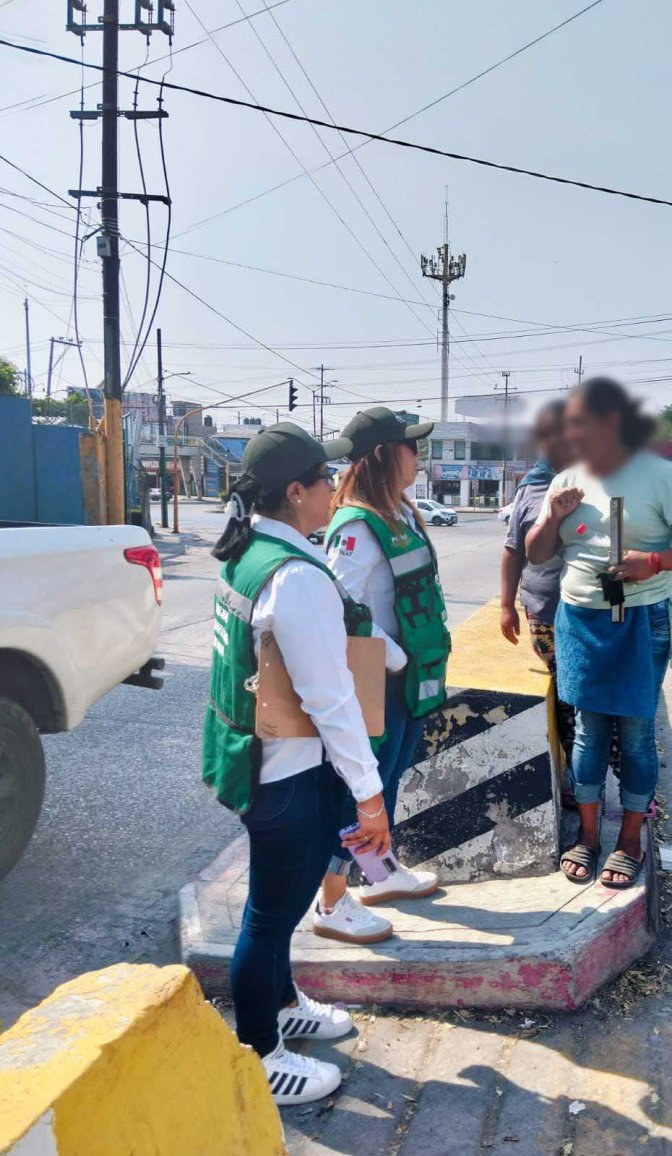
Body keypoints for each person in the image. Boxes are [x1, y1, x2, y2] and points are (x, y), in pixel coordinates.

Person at [203, 422, 392, 1106]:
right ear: (296, 491)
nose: (334, 489)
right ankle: (258, 1053)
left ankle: (281, 1003)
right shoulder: (298, 576)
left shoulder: (246, 551)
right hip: (288, 774)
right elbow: (330, 698)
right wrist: (370, 796)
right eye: (324, 479)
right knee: (268, 916)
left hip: (256, 761)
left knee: (275, 911)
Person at [526, 378, 672, 889]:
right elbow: (537, 552)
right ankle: (587, 837)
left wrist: (654, 561)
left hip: (641, 620)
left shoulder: (661, 476)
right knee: (587, 732)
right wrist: (553, 518)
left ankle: (630, 840)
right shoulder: (566, 479)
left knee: (633, 733)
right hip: (581, 620)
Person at [314, 406, 452, 944]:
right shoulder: (355, 525)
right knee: (360, 790)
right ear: (383, 455)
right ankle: (331, 902)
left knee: (388, 778)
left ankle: (379, 873)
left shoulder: (400, 513)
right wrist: (395, 659)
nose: (419, 455)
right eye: (411, 446)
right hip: (378, 679)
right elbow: (340, 603)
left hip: (409, 677)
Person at [500, 400, 576, 766]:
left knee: (584, 700)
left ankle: (589, 782)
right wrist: (505, 606)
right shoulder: (529, 489)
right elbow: (513, 551)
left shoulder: (597, 484)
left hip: (593, 614)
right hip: (544, 613)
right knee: (567, 698)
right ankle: (580, 783)